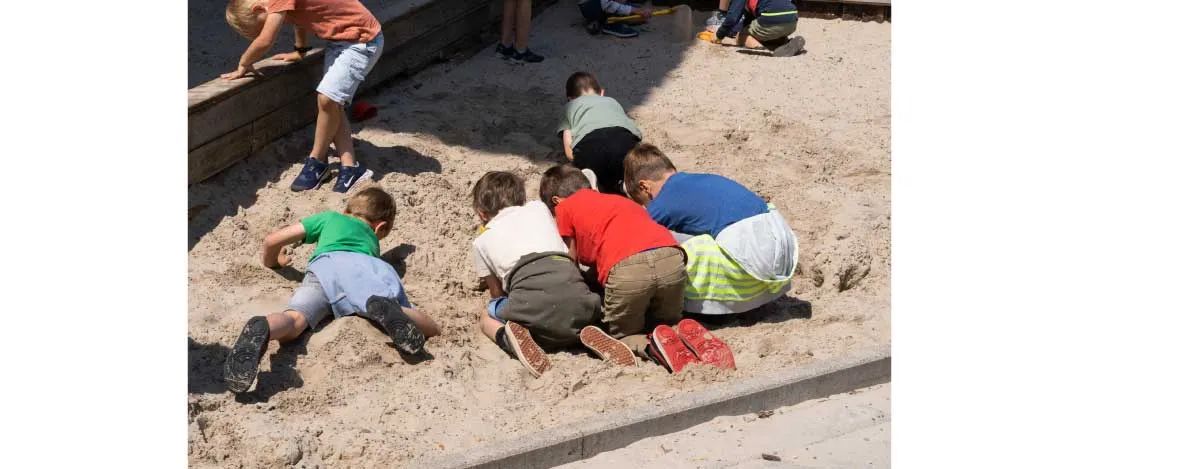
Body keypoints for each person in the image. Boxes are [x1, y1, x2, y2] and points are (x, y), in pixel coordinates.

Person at [223, 187, 441, 393]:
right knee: (412, 318)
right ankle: (388, 309)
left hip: (324, 269)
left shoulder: (330, 218)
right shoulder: (371, 244)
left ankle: (266, 326)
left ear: (345, 211)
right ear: (380, 228)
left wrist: (274, 263)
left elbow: (271, 241)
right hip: (364, 268)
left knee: (295, 319)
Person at [539, 165, 733, 373]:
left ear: (556, 201)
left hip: (627, 270)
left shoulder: (564, 208)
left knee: (623, 335)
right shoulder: (621, 200)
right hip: (671, 257)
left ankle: (651, 346)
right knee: (666, 322)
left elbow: (572, 261)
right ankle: (680, 333)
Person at [223, 0, 384, 192]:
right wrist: (300, 50)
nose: (266, 28)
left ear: (259, 9)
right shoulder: (282, 4)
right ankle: (350, 167)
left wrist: (244, 63)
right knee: (333, 104)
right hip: (339, 42)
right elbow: (300, 18)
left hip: (362, 41)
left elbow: (265, 40)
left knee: (327, 99)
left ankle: (316, 161)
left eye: (260, 26)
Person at [623, 143, 798, 316]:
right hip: (779, 247)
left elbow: (635, 236)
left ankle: (709, 308)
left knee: (663, 245)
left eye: (645, 202)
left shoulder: (664, 200)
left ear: (644, 187)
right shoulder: (701, 180)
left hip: (752, 261)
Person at [470, 171, 601, 377]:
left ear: (482, 213)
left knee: (487, 316)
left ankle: (509, 339)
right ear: (522, 199)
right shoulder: (539, 209)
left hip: (533, 305)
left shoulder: (480, 241)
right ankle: (586, 330)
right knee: (570, 300)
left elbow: (496, 293)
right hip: (578, 297)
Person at [557, 72, 643, 196]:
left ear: (570, 98)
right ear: (602, 92)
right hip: (623, 141)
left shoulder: (569, 107)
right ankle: (625, 185)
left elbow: (568, 146)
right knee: (624, 166)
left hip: (590, 145)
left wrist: (574, 158)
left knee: (596, 169)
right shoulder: (611, 101)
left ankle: (597, 186)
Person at [711, 0, 805, 57]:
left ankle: (763, 49)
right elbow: (749, 21)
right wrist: (730, 32)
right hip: (792, 19)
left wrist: (719, 35)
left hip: (772, 18)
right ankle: (784, 43)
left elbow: (732, 18)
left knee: (741, 37)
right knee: (761, 28)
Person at [577, 0, 653, 38]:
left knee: (641, 17)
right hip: (591, 5)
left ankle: (598, 20)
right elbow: (607, 4)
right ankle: (610, 23)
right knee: (636, 14)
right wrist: (635, 10)